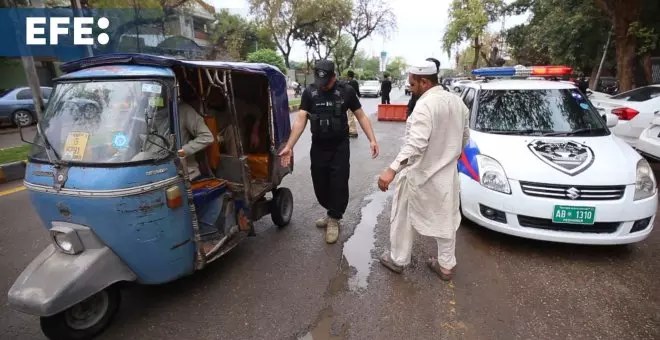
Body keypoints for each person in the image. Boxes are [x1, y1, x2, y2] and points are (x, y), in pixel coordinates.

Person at [377, 60, 470, 281]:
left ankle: (398, 259)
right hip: (447, 176)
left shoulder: (425, 106)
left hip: (419, 175)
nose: (410, 87)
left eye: (412, 83)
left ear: (425, 82)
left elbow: (415, 145)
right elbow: (464, 140)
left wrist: (392, 170)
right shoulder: (458, 103)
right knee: (446, 219)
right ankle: (446, 265)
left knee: (402, 214)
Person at [279, 60, 380, 244]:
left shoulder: (346, 91)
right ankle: (331, 211)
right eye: (320, 82)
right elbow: (300, 120)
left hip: (340, 146)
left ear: (334, 77)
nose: (323, 86)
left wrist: (372, 139)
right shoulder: (310, 92)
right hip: (318, 146)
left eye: (326, 83)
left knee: (339, 182)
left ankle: (334, 217)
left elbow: (361, 116)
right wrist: (289, 145)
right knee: (320, 183)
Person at [346, 70, 361, 138]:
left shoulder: (350, 83)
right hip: (354, 100)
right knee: (351, 116)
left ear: (349, 76)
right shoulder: (355, 82)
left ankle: (353, 131)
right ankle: (352, 130)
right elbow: (357, 91)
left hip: (350, 101)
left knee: (350, 116)